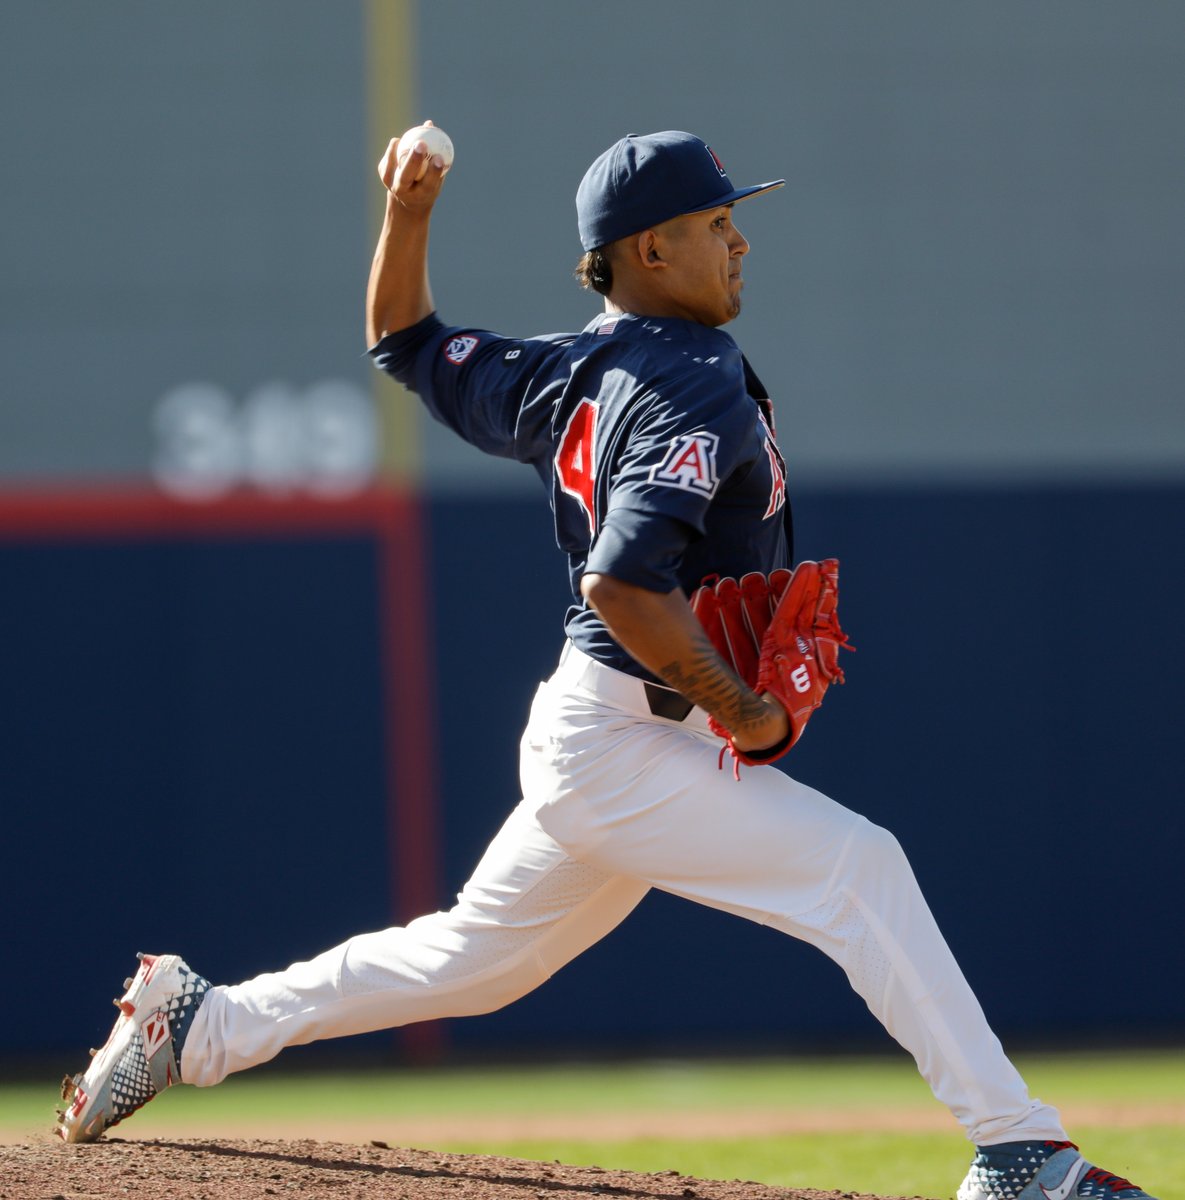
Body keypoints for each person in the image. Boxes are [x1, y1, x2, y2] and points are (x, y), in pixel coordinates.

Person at [56, 127, 1156, 1200]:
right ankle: (1017, 1151)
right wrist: (746, 708)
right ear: (648, 250)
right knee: (858, 870)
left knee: (471, 963)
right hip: (625, 738)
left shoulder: (567, 368)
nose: (740, 242)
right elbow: (623, 586)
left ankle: (199, 1023)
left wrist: (407, 211)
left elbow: (404, 340)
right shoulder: (690, 382)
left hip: (599, 730)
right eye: (716, 222)